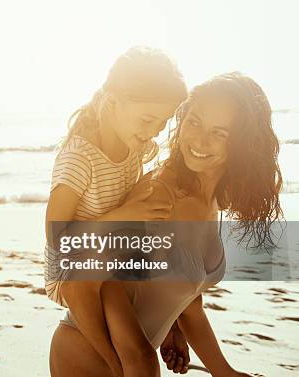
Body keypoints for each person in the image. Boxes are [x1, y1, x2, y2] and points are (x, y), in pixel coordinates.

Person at [49, 72, 283, 377]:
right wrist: (138, 357)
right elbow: (89, 279)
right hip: (91, 358)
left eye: (219, 132)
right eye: (194, 122)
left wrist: (224, 371)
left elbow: (190, 305)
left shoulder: (212, 201)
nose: (199, 140)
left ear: (242, 144)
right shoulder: (158, 195)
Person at [44, 46, 188, 376]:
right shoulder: (80, 159)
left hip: (115, 254)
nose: (154, 131)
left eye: (163, 122)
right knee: (131, 361)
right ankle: (111, 361)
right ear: (112, 102)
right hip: (74, 267)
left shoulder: (135, 145)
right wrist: (126, 213)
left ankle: (169, 327)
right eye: (147, 119)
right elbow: (57, 238)